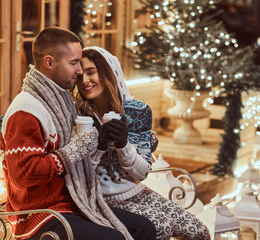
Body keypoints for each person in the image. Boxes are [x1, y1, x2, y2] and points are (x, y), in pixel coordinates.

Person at [0, 27, 156, 240]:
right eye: (73, 63)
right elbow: (25, 175)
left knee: (144, 228)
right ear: (49, 63)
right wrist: (81, 146)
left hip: (74, 201)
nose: (80, 71)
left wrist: (103, 144)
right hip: (39, 215)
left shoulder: (62, 101)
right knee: (115, 238)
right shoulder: (26, 111)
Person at [74, 46, 211, 240]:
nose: (84, 81)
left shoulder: (137, 111)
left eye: (91, 72)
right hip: (100, 199)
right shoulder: (79, 116)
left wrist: (123, 145)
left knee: (199, 232)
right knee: (161, 226)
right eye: (79, 76)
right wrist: (99, 145)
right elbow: (80, 174)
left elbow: (143, 172)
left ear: (108, 72)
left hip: (136, 191)